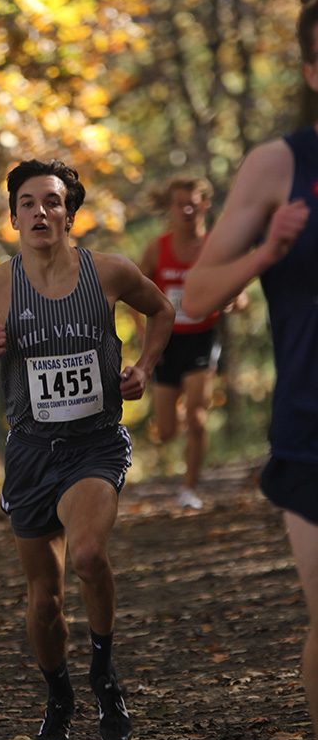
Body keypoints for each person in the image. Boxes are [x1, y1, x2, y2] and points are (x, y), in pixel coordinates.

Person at [0, 159, 174, 740]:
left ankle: (104, 672)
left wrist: (144, 368)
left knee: (90, 555)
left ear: (69, 212)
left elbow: (162, 310)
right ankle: (58, 694)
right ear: (14, 216)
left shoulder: (111, 273)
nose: (40, 212)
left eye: (51, 201)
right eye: (28, 203)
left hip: (94, 444)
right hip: (29, 453)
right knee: (44, 600)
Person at [182, 0, 318, 740]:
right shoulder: (281, 165)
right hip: (310, 425)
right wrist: (267, 253)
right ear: (311, 69)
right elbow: (198, 293)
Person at [138, 177, 221, 511]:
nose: (187, 209)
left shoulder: (215, 246)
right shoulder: (157, 248)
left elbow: (239, 293)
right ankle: (177, 428)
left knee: (198, 417)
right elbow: (134, 289)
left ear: (205, 205)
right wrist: (142, 329)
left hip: (202, 338)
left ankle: (189, 488)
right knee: (168, 430)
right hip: (166, 341)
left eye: (194, 202)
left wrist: (231, 300)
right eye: (180, 204)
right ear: (169, 208)